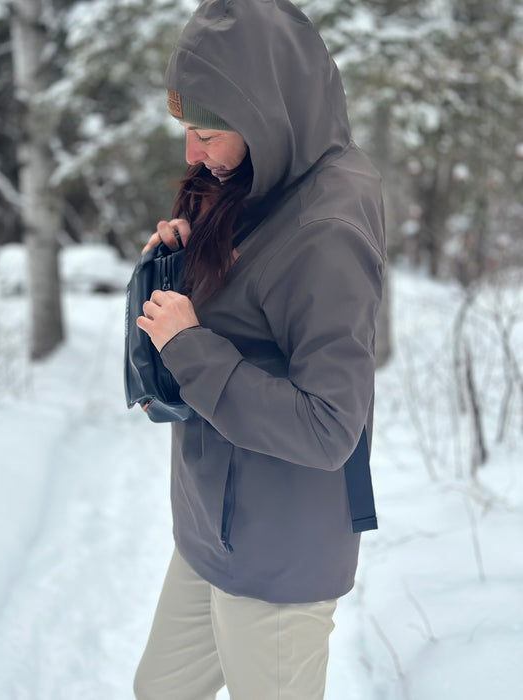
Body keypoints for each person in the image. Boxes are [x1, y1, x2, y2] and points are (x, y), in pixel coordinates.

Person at [134, 0, 386, 698]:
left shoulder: (329, 226)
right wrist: (182, 256)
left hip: (278, 554)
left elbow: (329, 425)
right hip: (212, 527)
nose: (191, 154)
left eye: (205, 133)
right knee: (160, 690)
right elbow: (249, 303)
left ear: (267, 118)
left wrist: (189, 345)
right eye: (186, 130)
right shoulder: (254, 179)